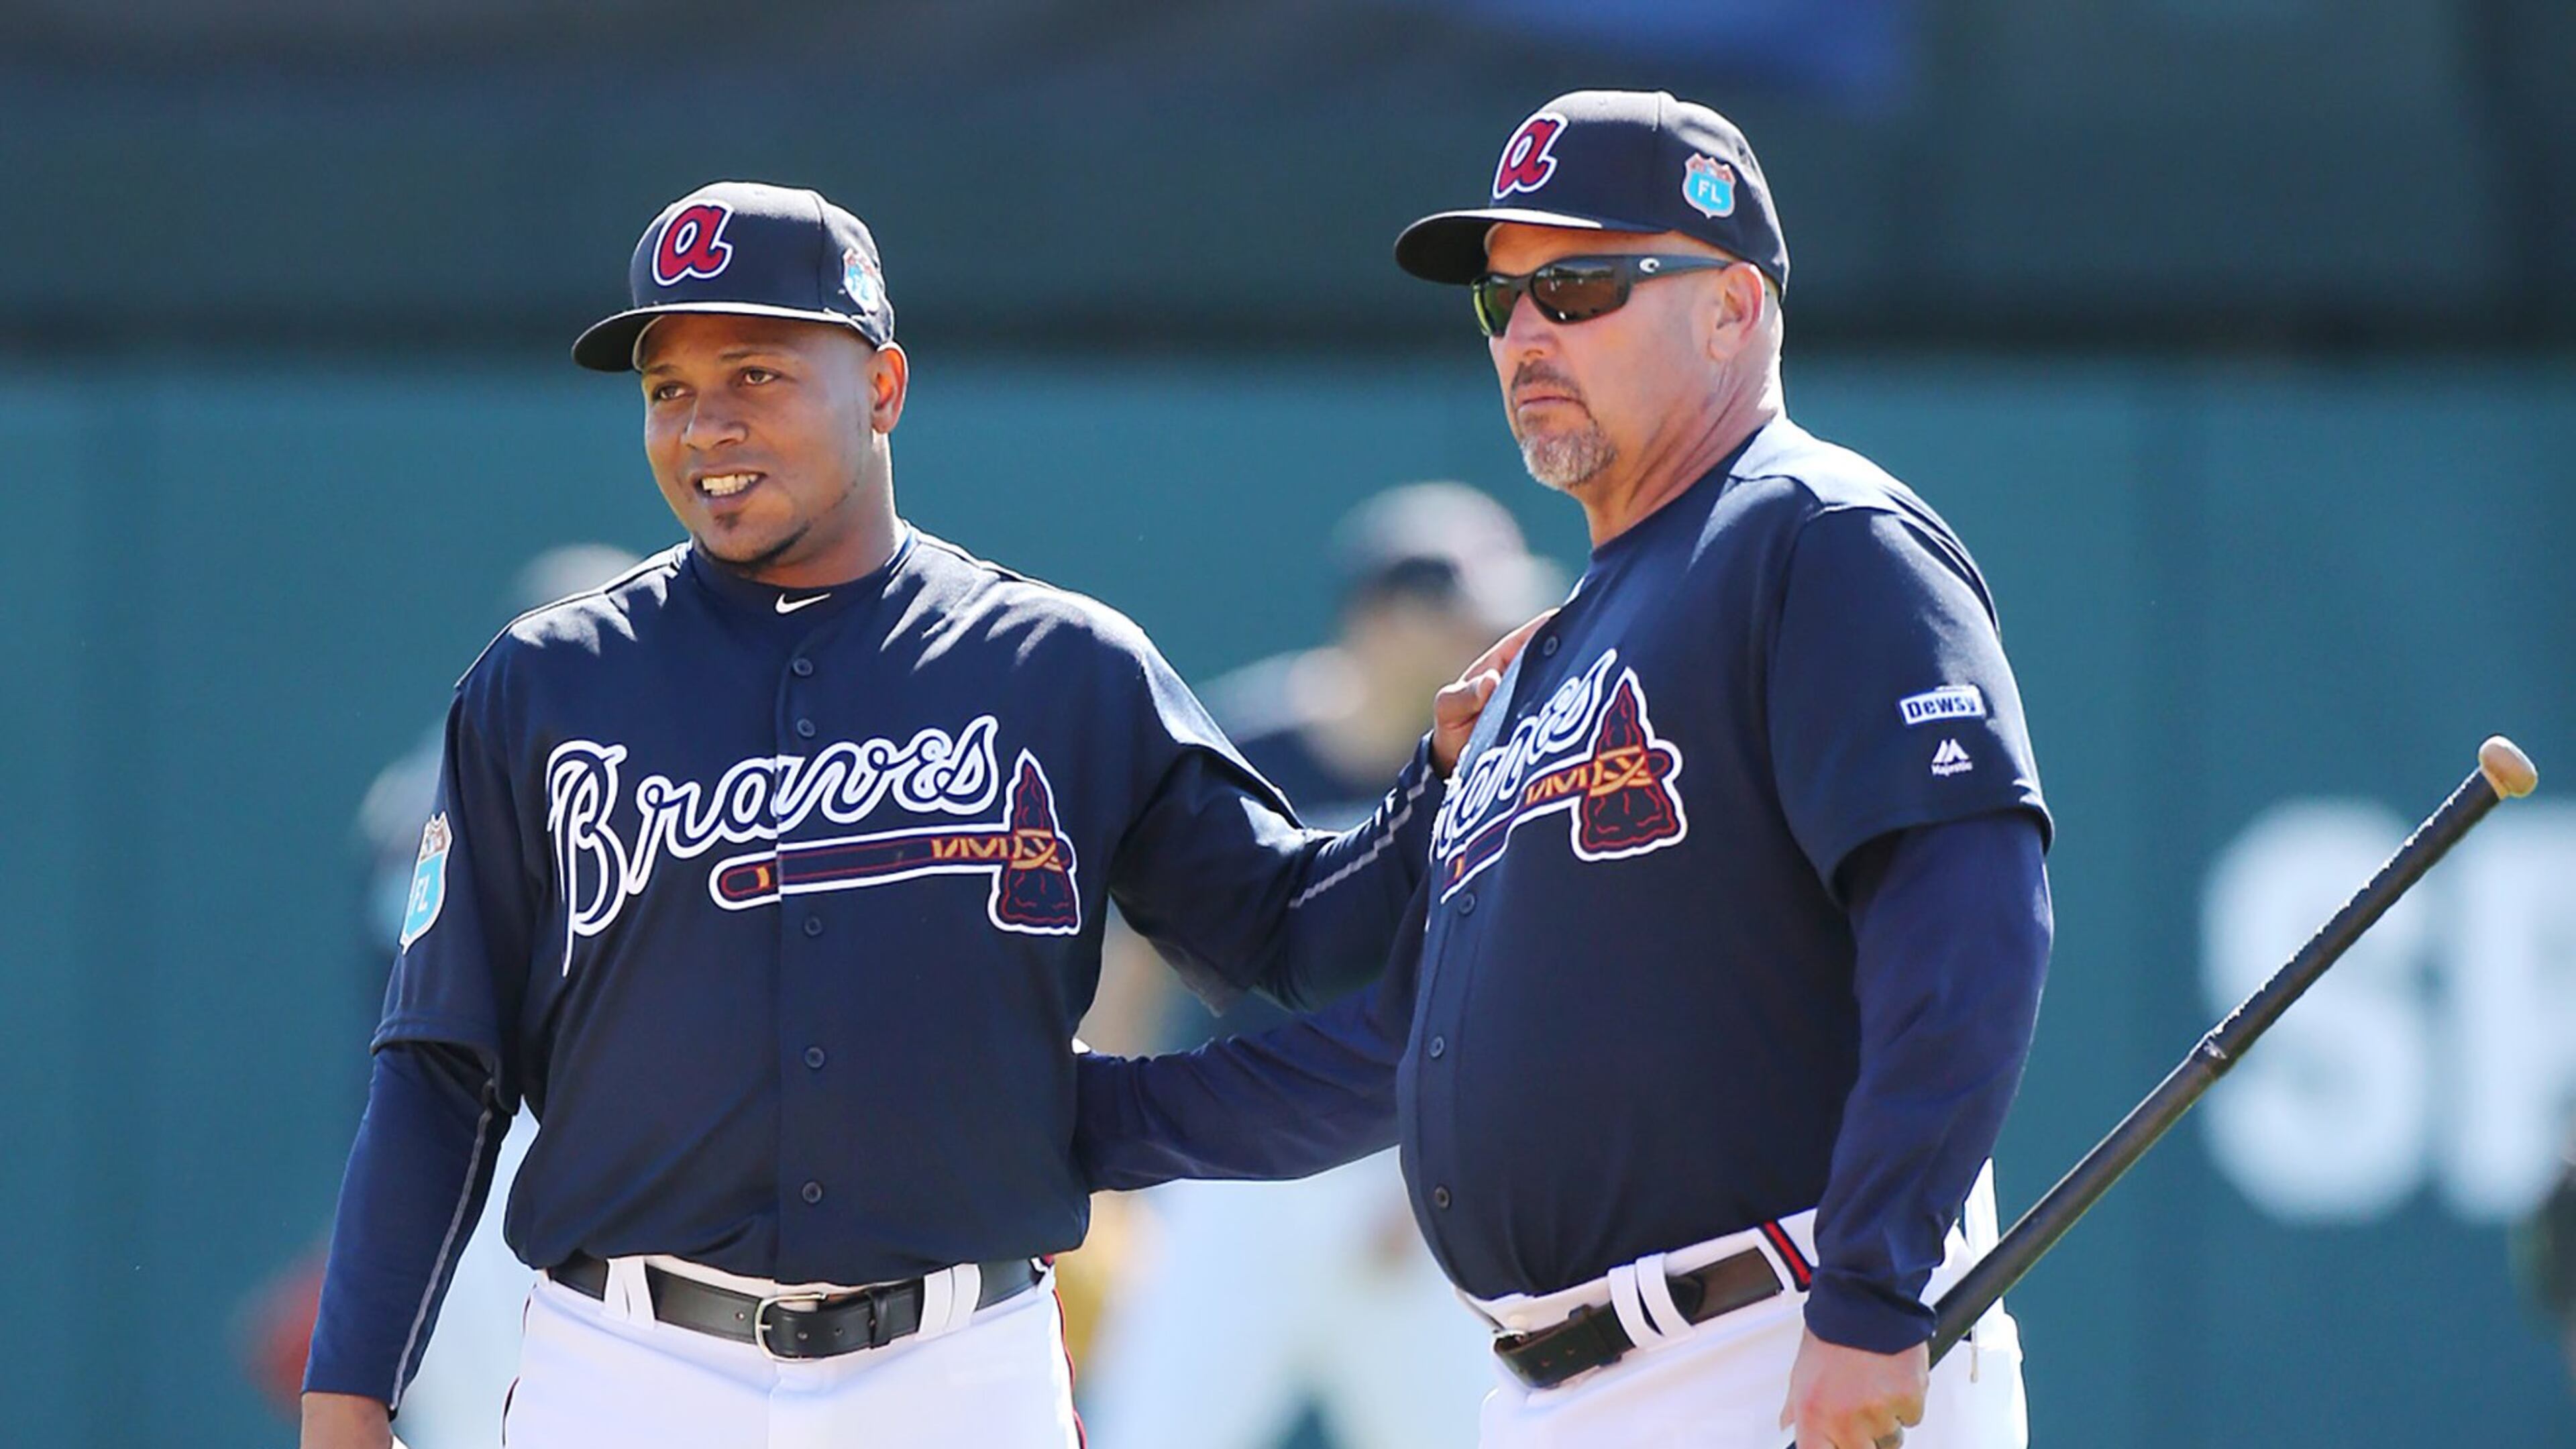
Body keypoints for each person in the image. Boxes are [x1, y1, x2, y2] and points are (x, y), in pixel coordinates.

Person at [297, 180, 1530, 1449]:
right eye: (669, 388)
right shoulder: (544, 684)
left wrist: (1433, 791)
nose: (705, 425)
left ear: (883, 388)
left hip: (956, 1369)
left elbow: (1289, 934)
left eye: (758, 374)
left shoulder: (1059, 669)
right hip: (628, 1365)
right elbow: (443, 1065)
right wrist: (350, 1392)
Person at [1076, 90, 2053, 1449]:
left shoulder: (1818, 541)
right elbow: (1406, 1049)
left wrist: (1876, 1288)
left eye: (1581, 285)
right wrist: (1080, 1121)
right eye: (1503, 300)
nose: (1525, 332)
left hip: (1776, 1341)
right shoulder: (1548, 657)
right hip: (1564, 1385)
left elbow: (1968, 923)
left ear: (1732, 308)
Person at [1080, 483, 1560, 1449]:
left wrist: (1446, 1170)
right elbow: (1136, 960)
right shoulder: (1247, 745)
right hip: (1232, 1176)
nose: (1489, 639)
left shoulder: (1509, 759)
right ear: (1385, 619)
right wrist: (1109, 1170)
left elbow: (1538, 990)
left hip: (1416, 1182)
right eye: (1464, 614)